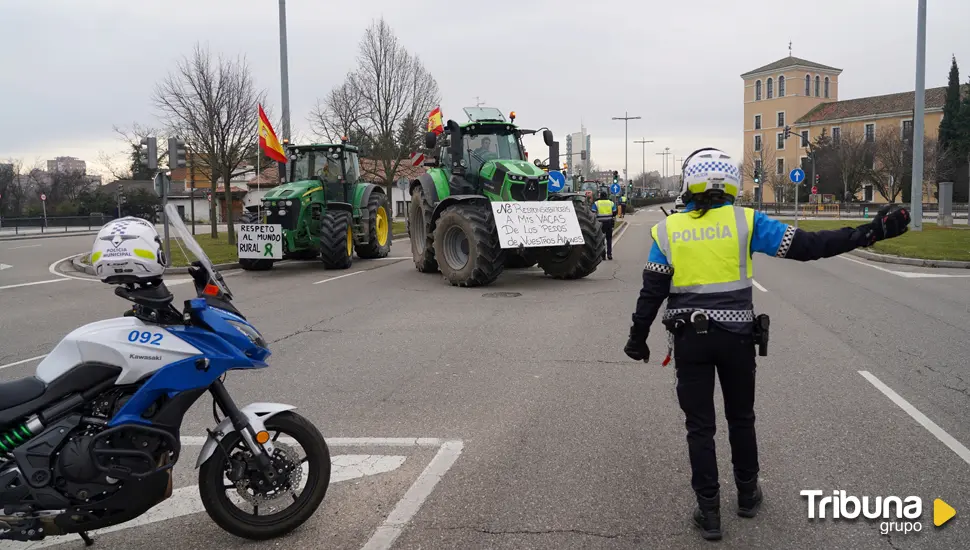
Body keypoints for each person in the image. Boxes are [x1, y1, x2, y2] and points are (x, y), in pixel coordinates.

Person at [622, 147, 911, 541]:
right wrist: (870, 233)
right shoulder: (747, 221)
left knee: (700, 428)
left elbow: (651, 292)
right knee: (741, 418)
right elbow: (811, 247)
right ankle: (746, 495)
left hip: (691, 341)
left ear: (690, 183)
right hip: (737, 340)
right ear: (729, 182)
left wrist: (637, 340)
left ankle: (709, 512)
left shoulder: (668, 231)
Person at [592, 191, 617, 260]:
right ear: (606, 196)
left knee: (601, 239)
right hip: (609, 222)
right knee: (609, 239)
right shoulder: (611, 203)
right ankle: (609, 254)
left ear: (600, 196)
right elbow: (615, 212)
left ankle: (603, 255)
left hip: (599, 223)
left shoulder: (596, 203)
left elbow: (593, 213)